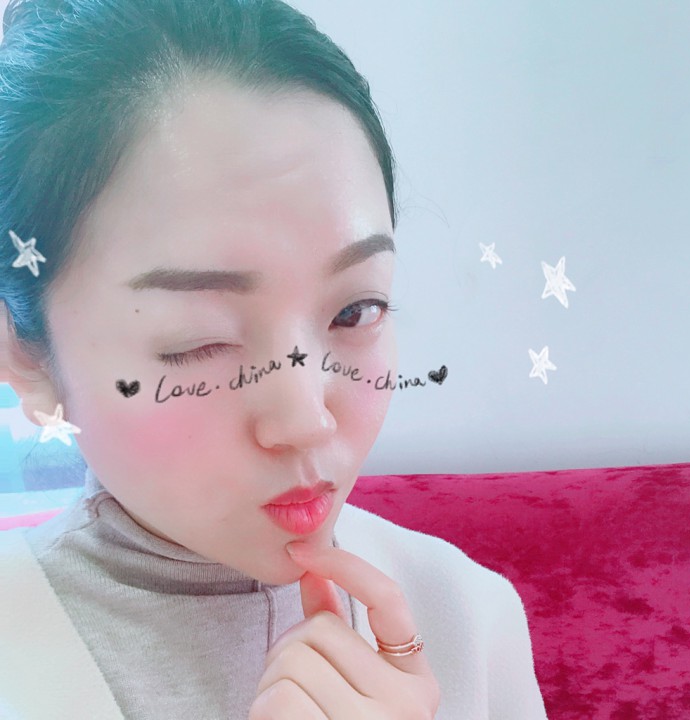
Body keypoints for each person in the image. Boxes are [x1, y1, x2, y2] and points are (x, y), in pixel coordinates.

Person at [0, 0, 549, 717]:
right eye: (199, 341)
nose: (305, 418)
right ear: (26, 357)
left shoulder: (468, 616)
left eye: (355, 311)